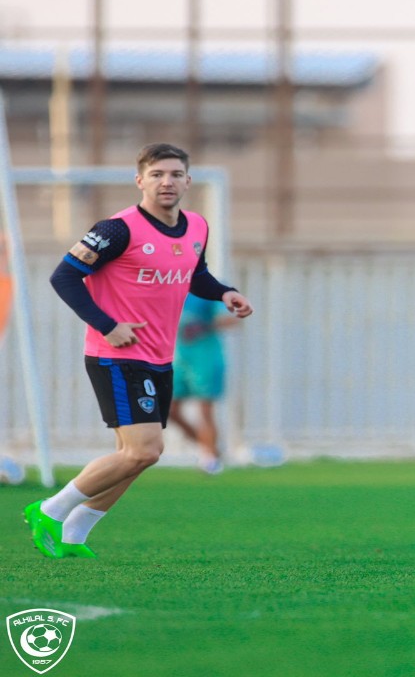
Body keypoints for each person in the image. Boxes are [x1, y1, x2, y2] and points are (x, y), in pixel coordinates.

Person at [24, 143, 253, 559]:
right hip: (116, 355)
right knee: (143, 450)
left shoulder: (197, 226)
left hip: (160, 356)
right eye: (157, 174)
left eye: (175, 174)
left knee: (138, 456)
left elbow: (195, 274)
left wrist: (224, 292)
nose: (167, 182)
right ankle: (50, 510)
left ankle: (75, 532)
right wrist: (108, 326)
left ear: (188, 180)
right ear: (140, 181)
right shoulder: (117, 230)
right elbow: (64, 277)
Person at [170, 294, 235, 475]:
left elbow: (230, 319)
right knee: (169, 409)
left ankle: (210, 458)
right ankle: (210, 447)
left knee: (205, 409)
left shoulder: (208, 290)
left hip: (205, 357)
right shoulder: (169, 287)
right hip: (179, 358)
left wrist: (205, 326)